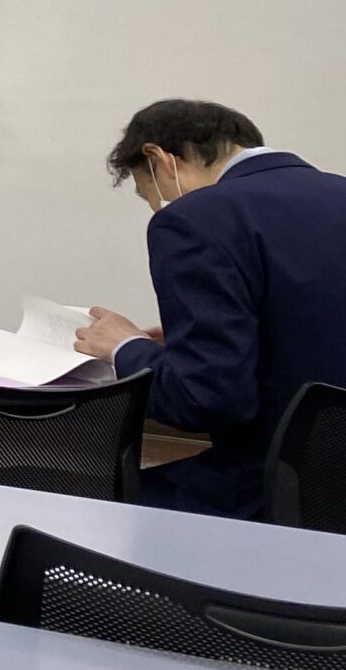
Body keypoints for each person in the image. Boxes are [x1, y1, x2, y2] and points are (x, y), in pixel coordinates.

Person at [73, 99, 346, 518]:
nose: (160, 207)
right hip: (330, 487)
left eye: (151, 195)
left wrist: (125, 347)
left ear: (158, 158)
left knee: (39, 491)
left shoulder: (195, 219)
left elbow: (205, 399)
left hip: (272, 494)